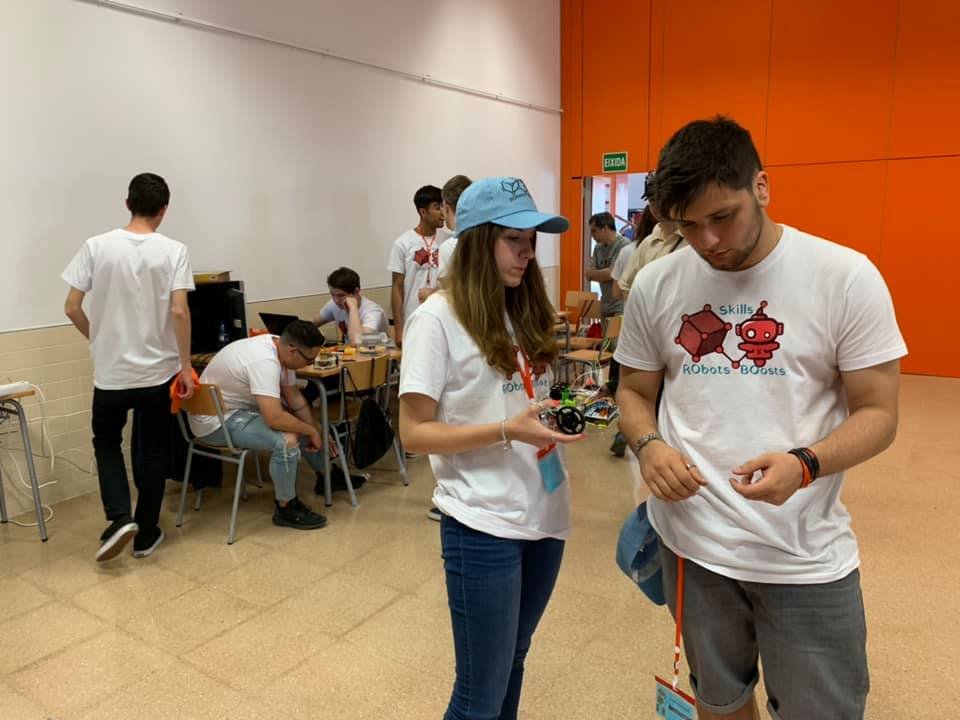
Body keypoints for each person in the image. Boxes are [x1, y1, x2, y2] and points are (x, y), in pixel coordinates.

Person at [615, 116, 906, 720]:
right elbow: (634, 392)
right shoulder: (656, 283)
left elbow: (879, 412)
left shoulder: (844, 277)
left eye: (722, 217)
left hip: (803, 554)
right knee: (719, 700)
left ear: (762, 187)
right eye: (686, 225)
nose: (707, 240)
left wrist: (806, 464)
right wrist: (647, 446)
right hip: (692, 546)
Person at [399, 177, 583, 720]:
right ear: (479, 242)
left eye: (532, 241)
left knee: (513, 661)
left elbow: (519, 398)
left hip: (545, 512)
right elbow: (414, 433)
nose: (528, 254)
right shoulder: (436, 320)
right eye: (513, 240)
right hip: (482, 522)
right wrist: (507, 429)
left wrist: (562, 409)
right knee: (478, 696)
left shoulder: (519, 308)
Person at [62, 172, 195, 562]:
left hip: (111, 375)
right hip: (158, 373)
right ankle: (146, 533)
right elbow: (179, 311)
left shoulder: (96, 246)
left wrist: (98, 340)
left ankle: (120, 516)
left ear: (127, 204)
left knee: (106, 442)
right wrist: (185, 366)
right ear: (164, 210)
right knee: (153, 449)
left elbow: (71, 307)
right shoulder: (174, 251)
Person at [189, 321, 335, 530]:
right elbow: (274, 418)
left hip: (234, 411)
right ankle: (286, 508)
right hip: (214, 423)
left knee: (298, 422)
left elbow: (294, 397)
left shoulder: (280, 348)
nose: (309, 364)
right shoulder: (264, 361)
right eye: (309, 360)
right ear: (293, 351)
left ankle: (327, 475)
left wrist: (316, 429)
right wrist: (311, 430)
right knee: (287, 440)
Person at [388, 184, 446, 347]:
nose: (443, 212)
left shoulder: (449, 241)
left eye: (443, 206)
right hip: (414, 319)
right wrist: (399, 329)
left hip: (443, 317)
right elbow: (397, 287)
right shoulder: (403, 243)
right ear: (423, 212)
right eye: (437, 207)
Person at [313, 266, 388, 346]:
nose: (336, 300)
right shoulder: (334, 304)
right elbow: (312, 324)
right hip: (351, 352)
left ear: (356, 291)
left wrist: (353, 308)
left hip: (378, 351)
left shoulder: (373, 311)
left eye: (341, 295)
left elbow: (358, 343)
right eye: (332, 295)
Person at [435, 174, 473, 282]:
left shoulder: (449, 247)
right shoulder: (485, 238)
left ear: (446, 206)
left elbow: (447, 290)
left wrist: (431, 292)